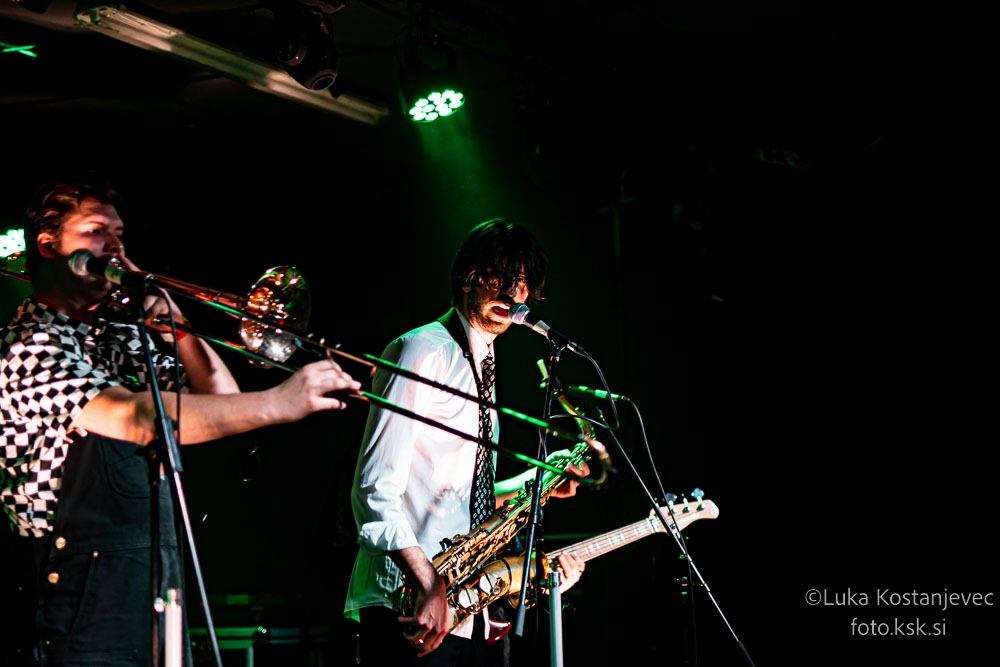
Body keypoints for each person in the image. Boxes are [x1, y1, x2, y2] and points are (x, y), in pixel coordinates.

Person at [0, 170, 361, 666]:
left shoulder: (120, 337)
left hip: (152, 573)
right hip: (75, 590)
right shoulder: (28, 345)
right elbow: (136, 416)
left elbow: (220, 397)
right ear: (47, 245)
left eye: (119, 234)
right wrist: (278, 402)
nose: (115, 247)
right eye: (95, 232)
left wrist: (180, 328)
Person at [344, 219, 587, 666]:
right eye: (501, 277)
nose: (513, 294)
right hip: (410, 600)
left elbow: (466, 495)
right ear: (468, 276)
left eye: (523, 283)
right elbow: (374, 489)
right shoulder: (421, 350)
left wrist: (542, 479)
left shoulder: (483, 361)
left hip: (464, 606)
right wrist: (429, 582)